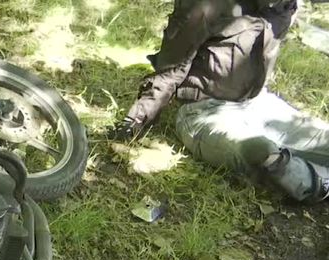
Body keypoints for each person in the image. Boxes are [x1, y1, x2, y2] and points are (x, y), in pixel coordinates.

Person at [111, 0, 329, 203]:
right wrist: (134, 121)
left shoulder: (284, 5)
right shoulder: (207, 4)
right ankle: (314, 184)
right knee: (261, 151)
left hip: (258, 104)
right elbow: (170, 70)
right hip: (203, 111)